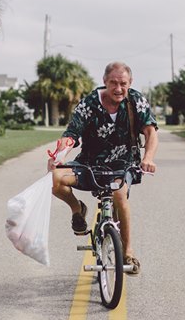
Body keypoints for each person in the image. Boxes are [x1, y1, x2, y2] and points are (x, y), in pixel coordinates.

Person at [48, 61, 158, 275]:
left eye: (123, 83)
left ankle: (128, 253)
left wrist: (149, 158)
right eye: (113, 83)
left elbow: (151, 131)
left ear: (130, 82)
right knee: (55, 178)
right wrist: (58, 155)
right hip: (90, 164)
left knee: (119, 195)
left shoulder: (136, 101)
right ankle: (77, 209)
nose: (118, 89)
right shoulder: (89, 103)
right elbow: (71, 135)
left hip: (123, 164)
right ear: (104, 82)